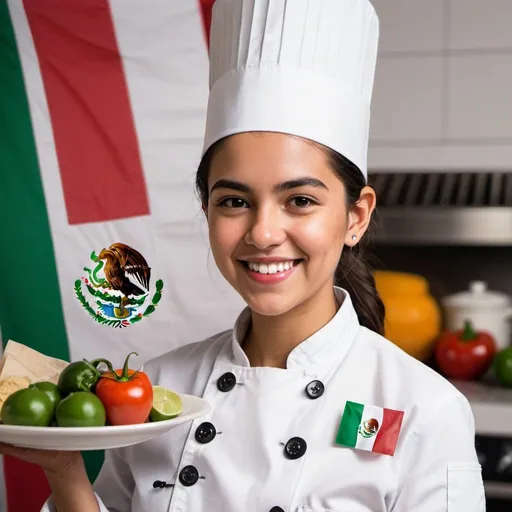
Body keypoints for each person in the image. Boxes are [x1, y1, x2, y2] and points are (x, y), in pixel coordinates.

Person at [0, 0, 485, 510]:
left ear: (356, 216)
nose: (263, 233)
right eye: (234, 201)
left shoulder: (427, 408)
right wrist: (67, 474)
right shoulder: (157, 392)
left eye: (299, 200)